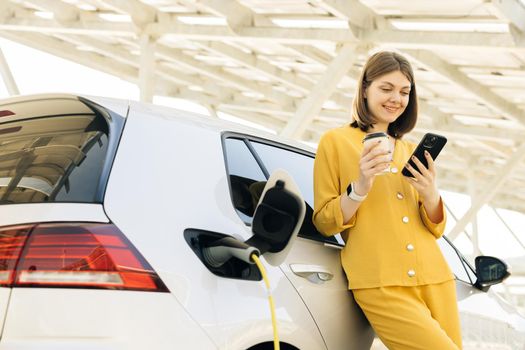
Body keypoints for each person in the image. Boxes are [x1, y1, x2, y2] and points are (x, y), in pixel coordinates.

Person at [312, 51, 462, 349]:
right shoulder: (335, 141)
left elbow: (435, 228)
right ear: (365, 88)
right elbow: (325, 222)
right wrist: (361, 186)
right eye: (386, 88)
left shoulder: (410, 149)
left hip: (435, 277)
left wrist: (430, 192)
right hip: (380, 281)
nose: (397, 98)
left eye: (405, 92)